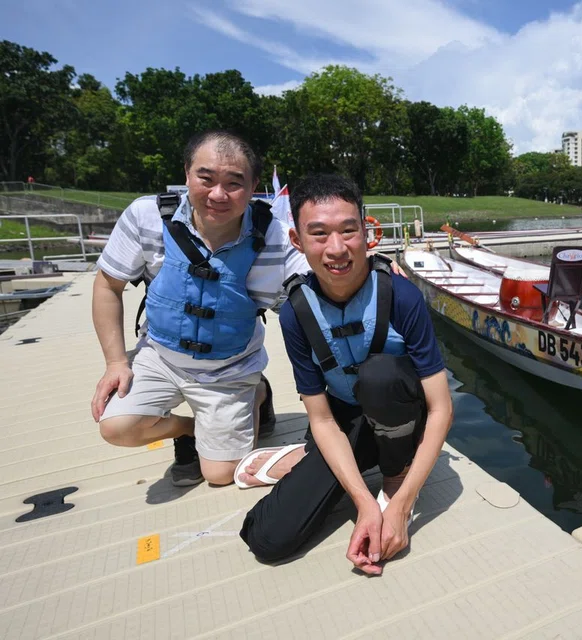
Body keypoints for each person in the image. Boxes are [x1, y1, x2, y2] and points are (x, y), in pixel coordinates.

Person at [238, 173, 453, 573]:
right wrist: (364, 505)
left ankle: (395, 474)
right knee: (268, 539)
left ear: (366, 232)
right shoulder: (295, 314)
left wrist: (400, 504)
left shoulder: (401, 295)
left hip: (398, 415)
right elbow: (320, 417)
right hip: (342, 424)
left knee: (380, 374)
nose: (336, 248)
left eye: (348, 231)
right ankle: (310, 456)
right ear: (297, 241)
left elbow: (441, 408)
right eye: (318, 234)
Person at [90, 130, 309, 486]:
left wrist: (373, 271)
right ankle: (189, 430)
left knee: (222, 475)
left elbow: (324, 290)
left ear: (254, 186)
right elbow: (107, 285)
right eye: (205, 179)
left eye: (234, 183)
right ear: (187, 174)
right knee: (116, 427)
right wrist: (116, 363)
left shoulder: (278, 240)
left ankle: (257, 392)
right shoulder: (146, 216)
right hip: (159, 355)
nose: (218, 195)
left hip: (230, 366)